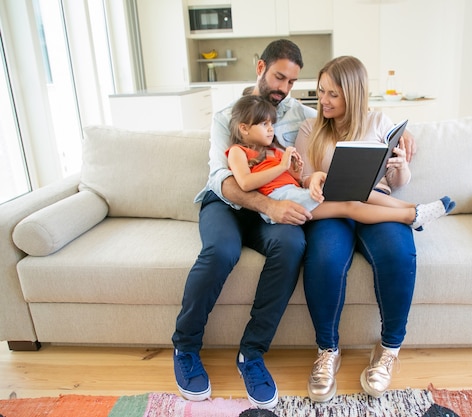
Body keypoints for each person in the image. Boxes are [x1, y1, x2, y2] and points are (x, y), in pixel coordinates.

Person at [294, 55, 455, 402]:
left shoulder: (380, 121)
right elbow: (303, 175)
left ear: (353, 94)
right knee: (323, 260)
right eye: (321, 91)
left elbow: (396, 183)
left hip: (376, 201)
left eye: (333, 94)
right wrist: (313, 178)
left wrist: (399, 165)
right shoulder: (310, 128)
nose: (323, 100)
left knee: (399, 254)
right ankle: (327, 352)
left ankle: (389, 350)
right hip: (332, 209)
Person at [171, 39, 317, 410]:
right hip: (226, 203)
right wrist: (270, 204)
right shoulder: (226, 117)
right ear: (260, 68)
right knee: (221, 250)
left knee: (292, 245)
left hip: (268, 212)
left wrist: (397, 130)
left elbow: (346, 116)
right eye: (279, 77)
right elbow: (224, 180)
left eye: (291, 82)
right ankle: (185, 346)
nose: (283, 88)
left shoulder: (300, 113)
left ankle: (251, 354)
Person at [226, 94, 453, 229]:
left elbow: (294, 180)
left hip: (295, 193)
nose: (270, 129)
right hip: (285, 203)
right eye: (264, 124)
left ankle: (415, 208)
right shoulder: (238, 151)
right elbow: (245, 183)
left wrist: (296, 170)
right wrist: (282, 166)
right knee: (349, 206)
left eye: (271, 124)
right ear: (244, 128)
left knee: (356, 192)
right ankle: (410, 216)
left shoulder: (273, 150)